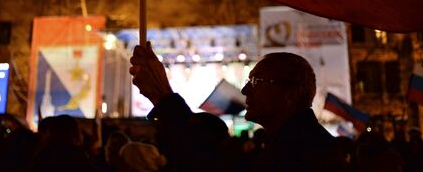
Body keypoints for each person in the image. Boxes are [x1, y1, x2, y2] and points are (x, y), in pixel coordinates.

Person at [130, 42, 340, 171]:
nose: (245, 90)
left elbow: (210, 166)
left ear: (290, 95)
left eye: (257, 82)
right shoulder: (291, 144)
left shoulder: (305, 153)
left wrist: (163, 96)